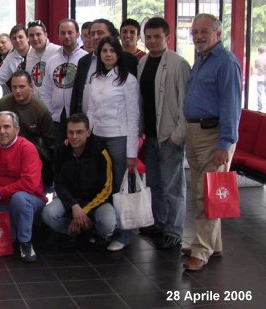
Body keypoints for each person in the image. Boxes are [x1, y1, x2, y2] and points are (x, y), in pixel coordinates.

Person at [182, 14, 241, 271]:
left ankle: (201, 250)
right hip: (195, 133)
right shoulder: (201, 60)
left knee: (208, 195)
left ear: (218, 33)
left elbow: (231, 107)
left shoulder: (226, 62)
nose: (198, 36)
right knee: (201, 190)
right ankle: (211, 244)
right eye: (195, 31)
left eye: (204, 31)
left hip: (214, 136)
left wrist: (224, 145)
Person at [137, 17, 191, 249]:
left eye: (157, 36)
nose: (152, 41)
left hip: (170, 135)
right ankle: (160, 223)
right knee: (156, 184)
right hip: (150, 135)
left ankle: (174, 229)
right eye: (148, 37)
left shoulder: (179, 64)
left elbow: (186, 105)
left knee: (173, 186)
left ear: (167, 37)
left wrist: (178, 136)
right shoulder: (143, 62)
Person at [86, 36, 140, 251]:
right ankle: (105, 230)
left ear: (119, 53)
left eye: (112, 50)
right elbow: (90, 109)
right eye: (104, 51)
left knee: (121, 187)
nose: (108, 54)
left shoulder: (127, 80)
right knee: (101, 185)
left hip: (119, 137)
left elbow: (133, 116)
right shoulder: (96, 77)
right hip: (97, 136)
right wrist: (87, 134)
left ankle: (124, 234)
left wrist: (131, 152)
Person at [0, 111, 47, 263]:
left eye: (6, 127)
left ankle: (25, 242)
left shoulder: (27, 148)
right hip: (2, 204)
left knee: (19, 198)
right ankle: (13, 233)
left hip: (29, 199)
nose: (2, 132)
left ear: (17, 129)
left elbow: (30, 183)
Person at [42, 113, 115, 249]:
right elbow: (59, 184)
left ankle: (93, 231)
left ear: (88, 132)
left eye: (79, 132)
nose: (74, 137)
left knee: (108, 223)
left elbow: (107, 189)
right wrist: (74, 206)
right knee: (48, 214)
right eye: (71, 132)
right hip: (71, 201)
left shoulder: (100, 152)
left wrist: (84, 211)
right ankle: (77, 231)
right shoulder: (61, 151)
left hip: (96, 202)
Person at [0, 71, 55, 187]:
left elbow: (49, 142)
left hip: (33, 152)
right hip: (7, 150)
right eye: (14, 87)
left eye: (21, 87)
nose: (17, 91)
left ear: (30, 87)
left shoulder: (40, 109)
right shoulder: (2, 105)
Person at [69, 19, 138, 116]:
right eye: (92, 34)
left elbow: (135, 102)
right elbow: (76, 95)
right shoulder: (83, 61)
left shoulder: (129, 61)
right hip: (86, 125)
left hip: (117, 126)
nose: (96, 37)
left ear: (112, 35)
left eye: (100, 33)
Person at [43, 19, 88, 146]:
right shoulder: (52, 61)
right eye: (63, 33)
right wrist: (51, 113)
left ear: (77, 34)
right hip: (57, 118)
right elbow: (46, 91)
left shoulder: (86, 59)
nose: (66, 36)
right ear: (58, 35)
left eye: (70, 32)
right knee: (59, 155)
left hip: (79, 118)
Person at [25, 20, 61, 103]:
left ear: (45, 35)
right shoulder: (29, 55)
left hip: (54, 106)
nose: (35, 38)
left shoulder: (57, 51)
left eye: (38, 34)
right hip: (36, 106)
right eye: (31, 35)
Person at [0, 24, 31, 90]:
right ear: (11, 41)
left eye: (20, 37)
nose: (17, 40)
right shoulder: (10, 59)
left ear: (27, 38)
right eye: (14, 38)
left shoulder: (38, 53)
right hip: (20, 95)